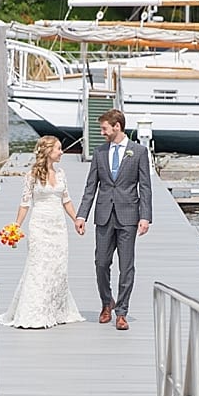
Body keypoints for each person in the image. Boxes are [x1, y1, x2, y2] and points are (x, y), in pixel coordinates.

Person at [74, 109, 152, 331]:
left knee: (126, 266)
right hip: (104, 215)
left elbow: (144, 187)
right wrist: (82, 215)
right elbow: (91, 186)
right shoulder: (99, 152)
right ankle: (106, 302)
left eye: (104, 128)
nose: (102, 133)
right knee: (101, 263)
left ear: (117, 126)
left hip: (129, 216)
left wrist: (145, 216)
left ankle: (122, 312)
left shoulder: (138, 152)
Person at [0, 136, 85, 329]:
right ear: (48, 151)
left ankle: (55, 310)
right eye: (59, 149)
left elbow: (66, 200)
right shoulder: (32, 176)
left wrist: (76, 219)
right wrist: (16, 226)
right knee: (38, 266)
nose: (61, 152)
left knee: (57, 267)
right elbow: (25, 203)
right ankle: (34, 312)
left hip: (58, 227)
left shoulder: (61, 173)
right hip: (39, 226)